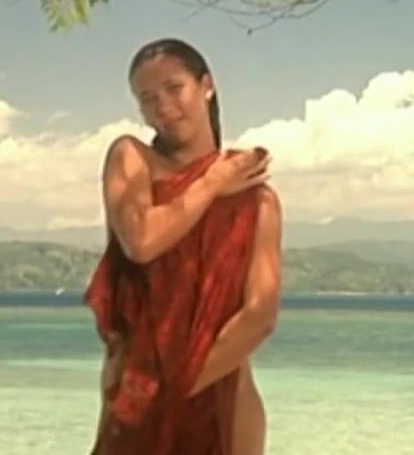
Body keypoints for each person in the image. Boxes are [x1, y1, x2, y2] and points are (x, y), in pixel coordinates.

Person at [84, 38, 285, 455]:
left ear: (206, 86)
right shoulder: (132, 158)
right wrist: (211, 184)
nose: (162, 106)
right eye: (147, 98)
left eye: (174, 88)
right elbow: (141, 241)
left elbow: (259, 317)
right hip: (136, 394)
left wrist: (166, 393)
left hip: (223, 400)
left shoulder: (257, 199)